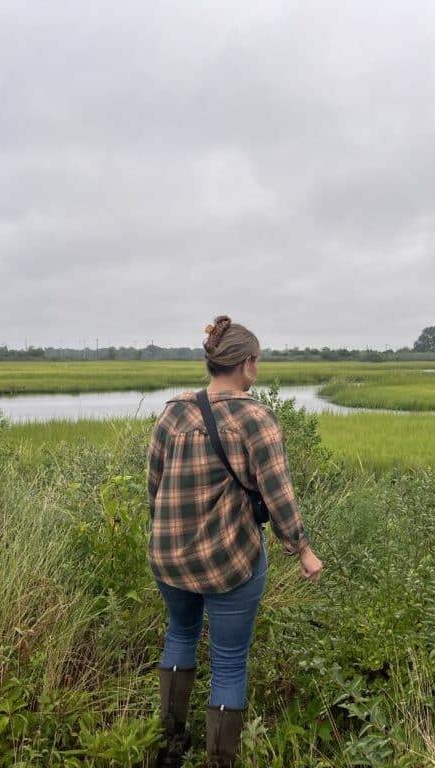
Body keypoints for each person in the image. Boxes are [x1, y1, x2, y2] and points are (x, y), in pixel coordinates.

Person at [147, 315, 323, 768]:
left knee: (179, 635)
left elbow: (155, 485)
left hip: (168, 556)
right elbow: (279, 497)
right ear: (247, 365)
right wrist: (301, 549)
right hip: (230, 561)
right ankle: (218, 761)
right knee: (227, 661)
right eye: (256, 361)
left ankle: (168, 747)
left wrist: (165, 534)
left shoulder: (173, 412)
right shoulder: (255, 418)